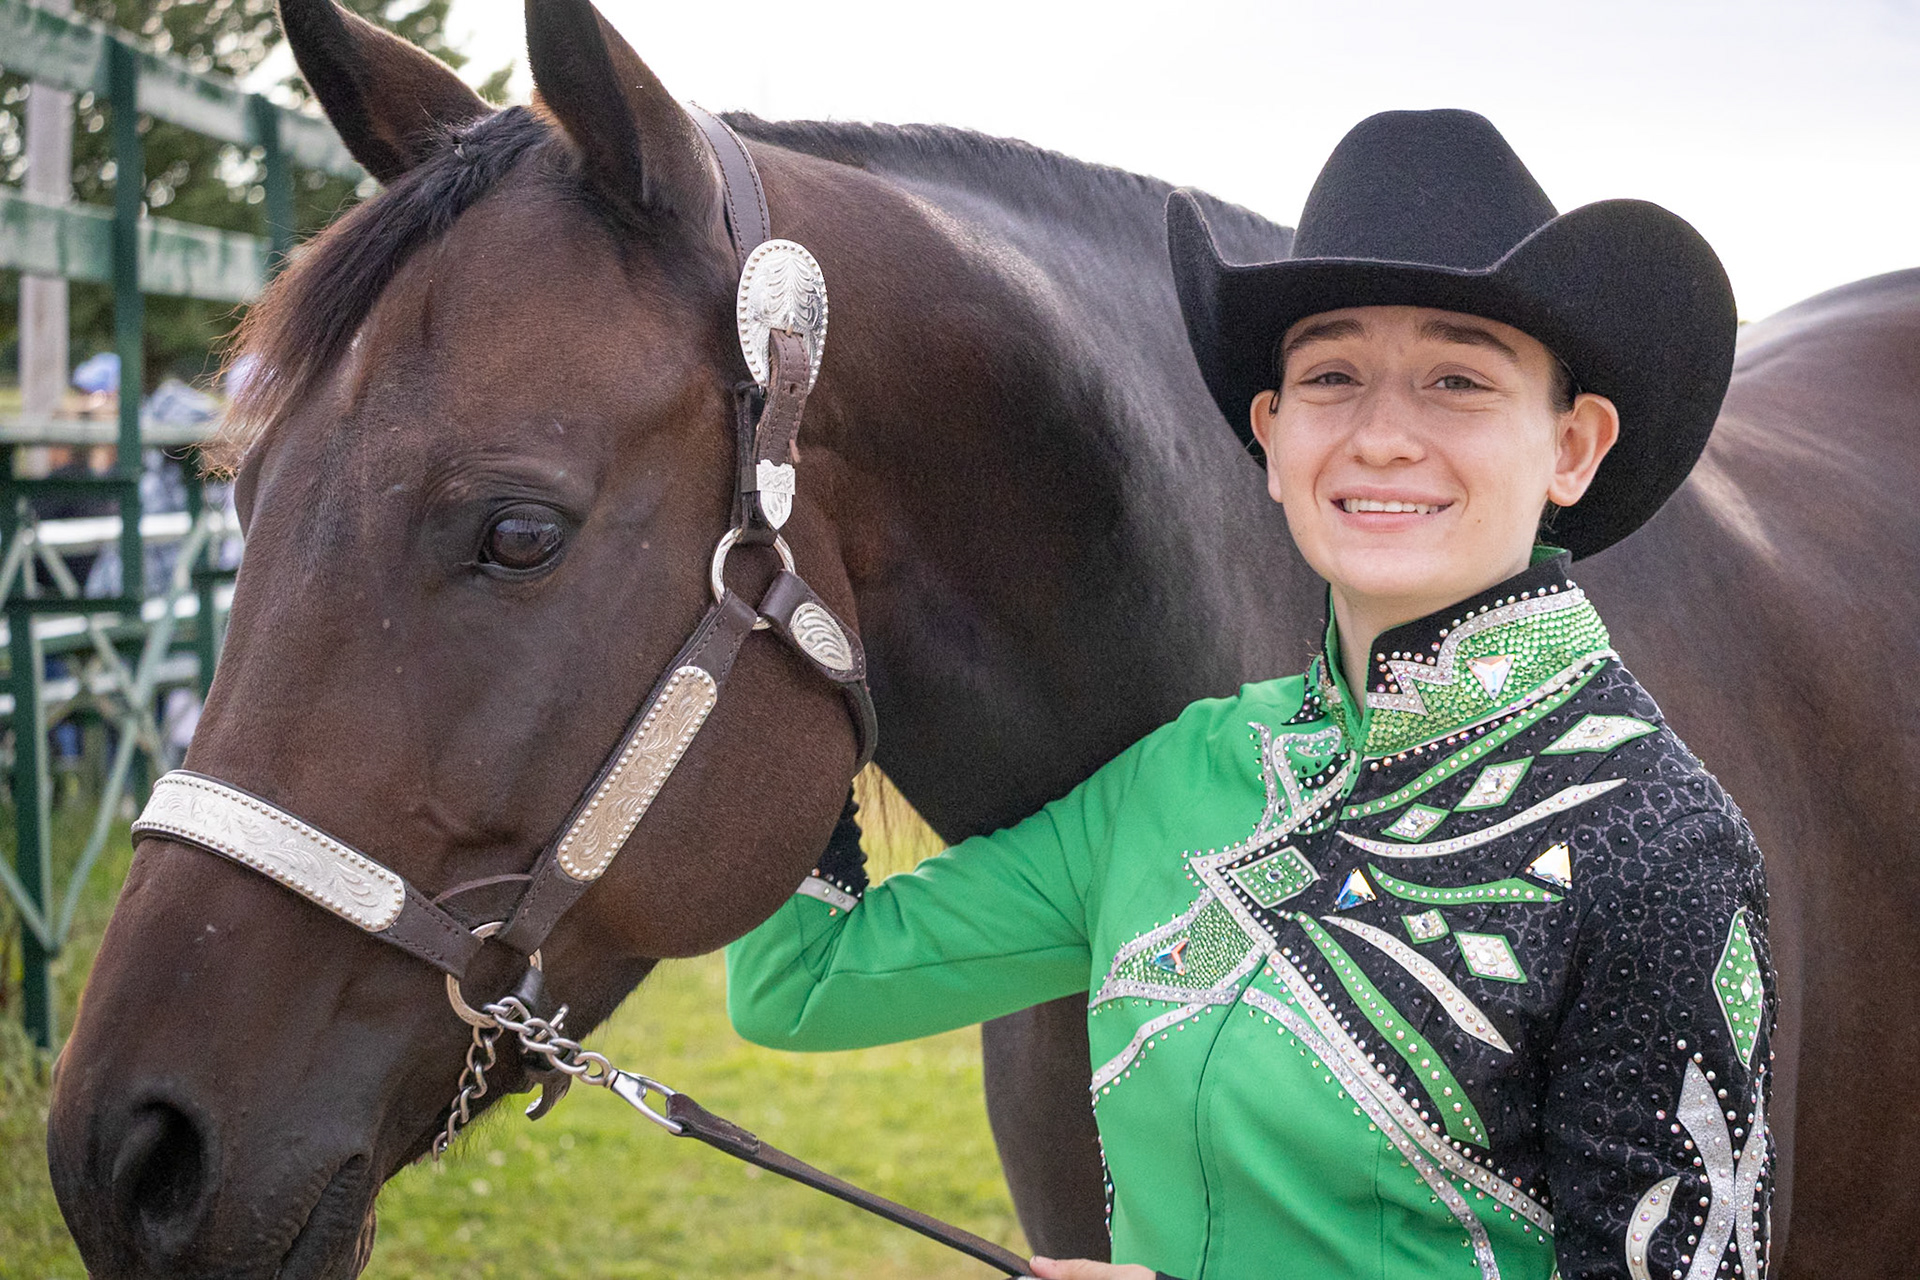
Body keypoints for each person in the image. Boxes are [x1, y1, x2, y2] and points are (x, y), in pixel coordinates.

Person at [727, 109, 1771, 1280]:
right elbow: (799, 985)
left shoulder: (1654, 844)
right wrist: (794, 614)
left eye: (1459, 380)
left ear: (1572, 446)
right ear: (1273, 437)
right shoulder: (1181, 774)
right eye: (1331, 375)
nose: (1381, 435)